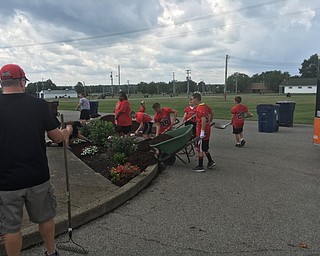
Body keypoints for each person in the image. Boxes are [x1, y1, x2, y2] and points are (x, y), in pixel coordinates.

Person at [0, 64, 69, 256]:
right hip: (37, 176)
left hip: (5, 180)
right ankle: (51, 252)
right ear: (22, 82)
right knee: (45, 218)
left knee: (10, 228)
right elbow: (56, 137)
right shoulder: (38, 105)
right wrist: (67, 132)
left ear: (2, 82)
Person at [191, 92, 215, 172]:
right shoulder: (205, 106)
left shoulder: (199, 108)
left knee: (200, 149)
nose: (192, 101)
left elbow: (203, 119)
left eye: (192, 99)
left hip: (202, 130)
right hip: (207, 130)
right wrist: (210, 121)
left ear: (196, 99)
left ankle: (200, 166)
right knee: (205, 147)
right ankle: (210, 161)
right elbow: (212, 113)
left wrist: (202, 131)